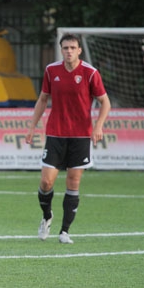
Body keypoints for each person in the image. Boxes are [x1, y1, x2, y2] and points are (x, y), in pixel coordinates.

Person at [25, 34, 111, 244]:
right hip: (55, 134)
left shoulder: (90, 73)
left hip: (80, 136)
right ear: (61, 49)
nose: (69, 51)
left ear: (79, 50)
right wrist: (32, 126)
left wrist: (98, 126)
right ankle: (47, 216)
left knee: (73, 182)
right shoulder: (51, 70)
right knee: (46, 182)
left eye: (73, 48)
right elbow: (43, 99)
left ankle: (64, 231)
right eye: (65, 48)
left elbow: (105, 102)